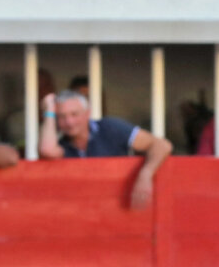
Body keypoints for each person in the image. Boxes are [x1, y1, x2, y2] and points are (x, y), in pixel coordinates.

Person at [38, 89, 172, 211]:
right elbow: (47, 150)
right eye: (62, 116)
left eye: (74, 114)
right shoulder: (62, 144)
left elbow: (162, 145)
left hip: (121, 207)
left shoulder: (109, 128)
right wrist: (49, 111)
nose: (69, 122)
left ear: (87, 113)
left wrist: (145, 175)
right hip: (82, 212)